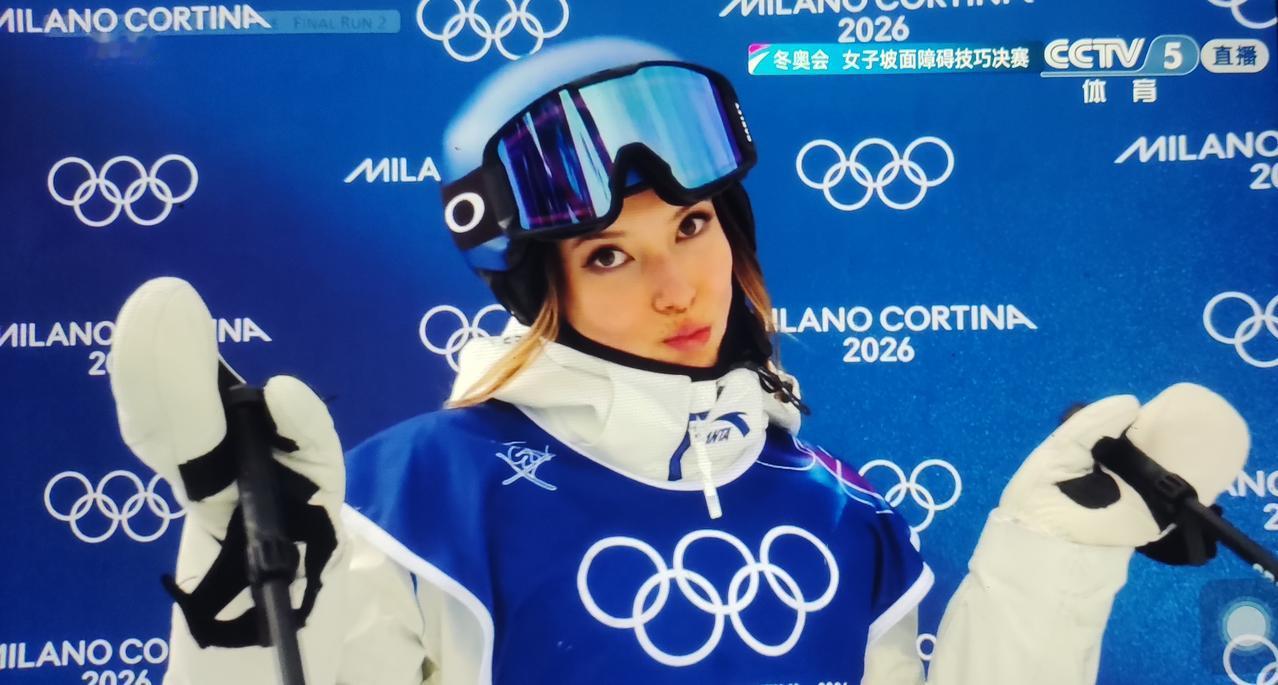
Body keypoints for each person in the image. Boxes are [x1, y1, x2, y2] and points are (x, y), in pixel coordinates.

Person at [108, 36, 1250, 685]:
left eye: (693, 226)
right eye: (609, 253)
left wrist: (1054, 555)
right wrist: (244, 572)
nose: (677, 286)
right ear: (538, 287)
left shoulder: (839, 509)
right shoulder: (418, 492)